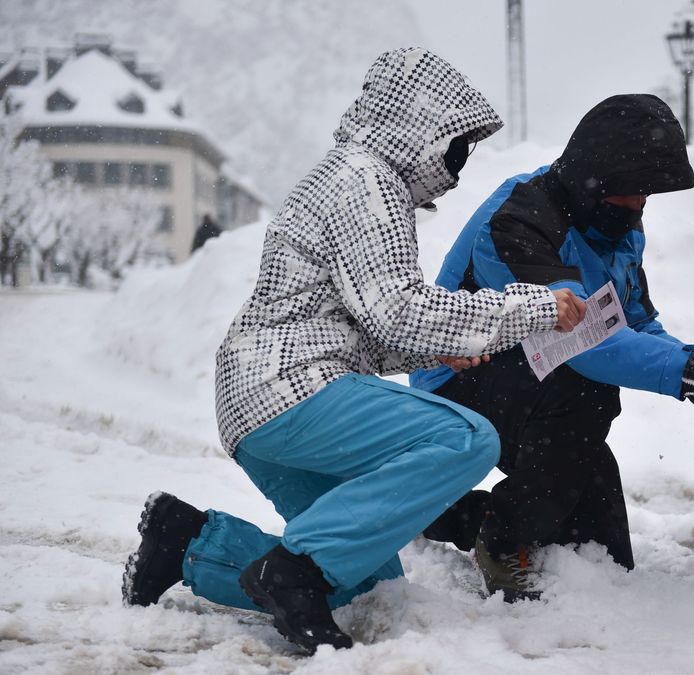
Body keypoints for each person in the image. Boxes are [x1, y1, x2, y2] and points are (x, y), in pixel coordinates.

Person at [119, 48, 587, 654]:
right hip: (289, 385)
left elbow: (358, 324)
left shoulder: (350, 177)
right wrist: (535, 309)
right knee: (465, 439)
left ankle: (186, 542)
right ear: (424, 123)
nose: (461, 162)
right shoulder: (368, 182)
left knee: (361, 579)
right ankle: (293, 573)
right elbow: (399, 312)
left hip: (257, 401)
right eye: (459, 143)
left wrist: (432, 351)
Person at [411, 94, 694, 601]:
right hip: (458, 391)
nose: (640, 205)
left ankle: (441, 514)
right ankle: (500, 539)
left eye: (647, 195)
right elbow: (583, 342)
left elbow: (637, 323)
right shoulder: (517, 222)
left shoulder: (617, 223)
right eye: (632, 193)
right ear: (597, 179)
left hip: (533, 387)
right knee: (585, 395)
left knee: (603, 549)